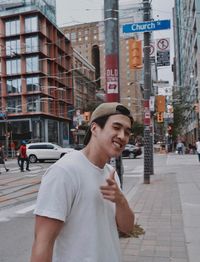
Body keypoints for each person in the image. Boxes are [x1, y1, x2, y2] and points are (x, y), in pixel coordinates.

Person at [31, 102, 135, 262]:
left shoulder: (109, 173)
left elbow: (127, 229)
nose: (122, 136)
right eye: (116, 127)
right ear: (94, 128)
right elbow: (43, 243)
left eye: (127, 132)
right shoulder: (64, 172)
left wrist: (120, 200)